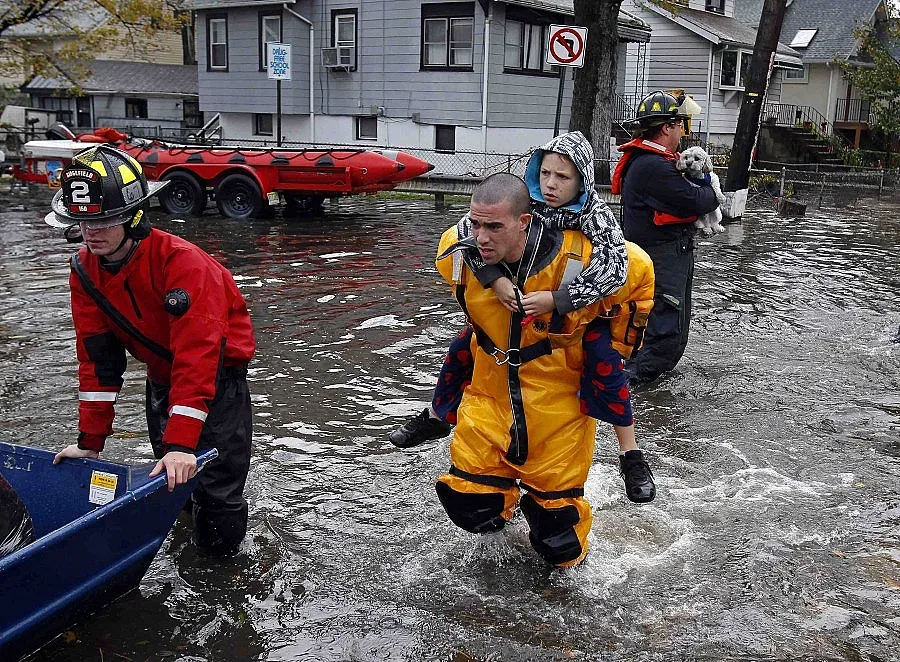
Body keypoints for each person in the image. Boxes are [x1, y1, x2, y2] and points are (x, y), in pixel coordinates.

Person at [390, 131, 657, 503]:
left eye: (562, 177)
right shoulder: (520, 201)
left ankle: (630, 454)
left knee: (604, 362)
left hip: (576, 310)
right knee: (464, 346)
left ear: (582, 179)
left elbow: (615, 268)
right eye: (545, 173)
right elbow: (468, 233)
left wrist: (557, 300)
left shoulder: (595, 215)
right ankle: (438, 415)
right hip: (516, 310)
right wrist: (494, 279)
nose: (551, 184)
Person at [432, 173, 650, 567]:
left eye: (494, 227)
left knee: (558, 539)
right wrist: (492, 278)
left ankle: (624, 460)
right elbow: (463, 257)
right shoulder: (459, 249)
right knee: (467, 503)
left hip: (558, 405)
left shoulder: (592, 256)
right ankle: (500, 498)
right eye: (476, 224)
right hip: (489, 394)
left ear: (524, 222)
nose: (481, 237)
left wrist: (585, 317)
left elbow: (636, 279)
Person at [47, 144, 255, 555]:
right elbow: (97, 361)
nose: (92, 233)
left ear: (134, 216)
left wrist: (182, 443)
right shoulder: (84, 271)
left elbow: (198, 357)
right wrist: (90, 441)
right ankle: (183, 540)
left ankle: (223, 571)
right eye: (84, 222)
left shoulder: (184, 265)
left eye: (104, 221)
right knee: (171, 481)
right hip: (162, 379)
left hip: (218, 383)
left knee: (218, 494)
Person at [611, 90, 721, 387]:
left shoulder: (655, 162)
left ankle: (652, 392)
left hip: (671, 253)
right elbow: (700, 201)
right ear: (666, 128)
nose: (683, 132)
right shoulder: (652, 166)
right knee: (663, 325)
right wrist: (711, 189)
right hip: (660, 256)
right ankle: (633, 389)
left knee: (673, 325)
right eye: (680, 125)